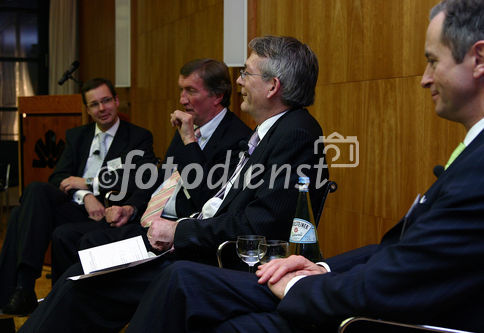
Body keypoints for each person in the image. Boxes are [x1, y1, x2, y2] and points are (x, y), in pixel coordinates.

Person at [121, 1, 484, 332]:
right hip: (279, 266)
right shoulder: (472, 156)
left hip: (368, 308)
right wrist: (322, 269)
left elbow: (404, 272)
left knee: (182, 283)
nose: (423, 78)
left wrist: (304, 283)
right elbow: (400, 250)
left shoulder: (295, 133)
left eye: (433, 61)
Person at [18, 35, 329, 332]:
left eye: (247, 73)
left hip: (214, 259)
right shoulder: (273, 131)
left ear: (273, 86)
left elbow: (259, 224)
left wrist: (179, 230)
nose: (239, 81)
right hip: (194, 242)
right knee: (82, 272)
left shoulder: (295, 134)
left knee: (84, 286)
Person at [50, 58, 252, 278]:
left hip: (178, 233)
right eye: (181, 90)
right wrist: (131, 208)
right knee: (66, 237)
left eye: (190, 91)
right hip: (149, 219)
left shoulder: (236, 138)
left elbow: (205, 197)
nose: (182, 99)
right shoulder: (190, 125)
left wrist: (189, 141)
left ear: (217, 95)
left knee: (92, 245)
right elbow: (161, 181)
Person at [0, 78, 157, 333]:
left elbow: (136, 179)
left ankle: (13, 301)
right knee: (36, 191)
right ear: (87, 110)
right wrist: (86, 196)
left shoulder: (138, 137)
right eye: (94, 104)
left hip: (111, 212)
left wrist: (88, 183)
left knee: (21, 215)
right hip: (77, 207)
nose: (102, 108)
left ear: (116, 101)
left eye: (106, 100)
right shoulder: (78, 136)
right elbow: (58, 177)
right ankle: (24, 287)